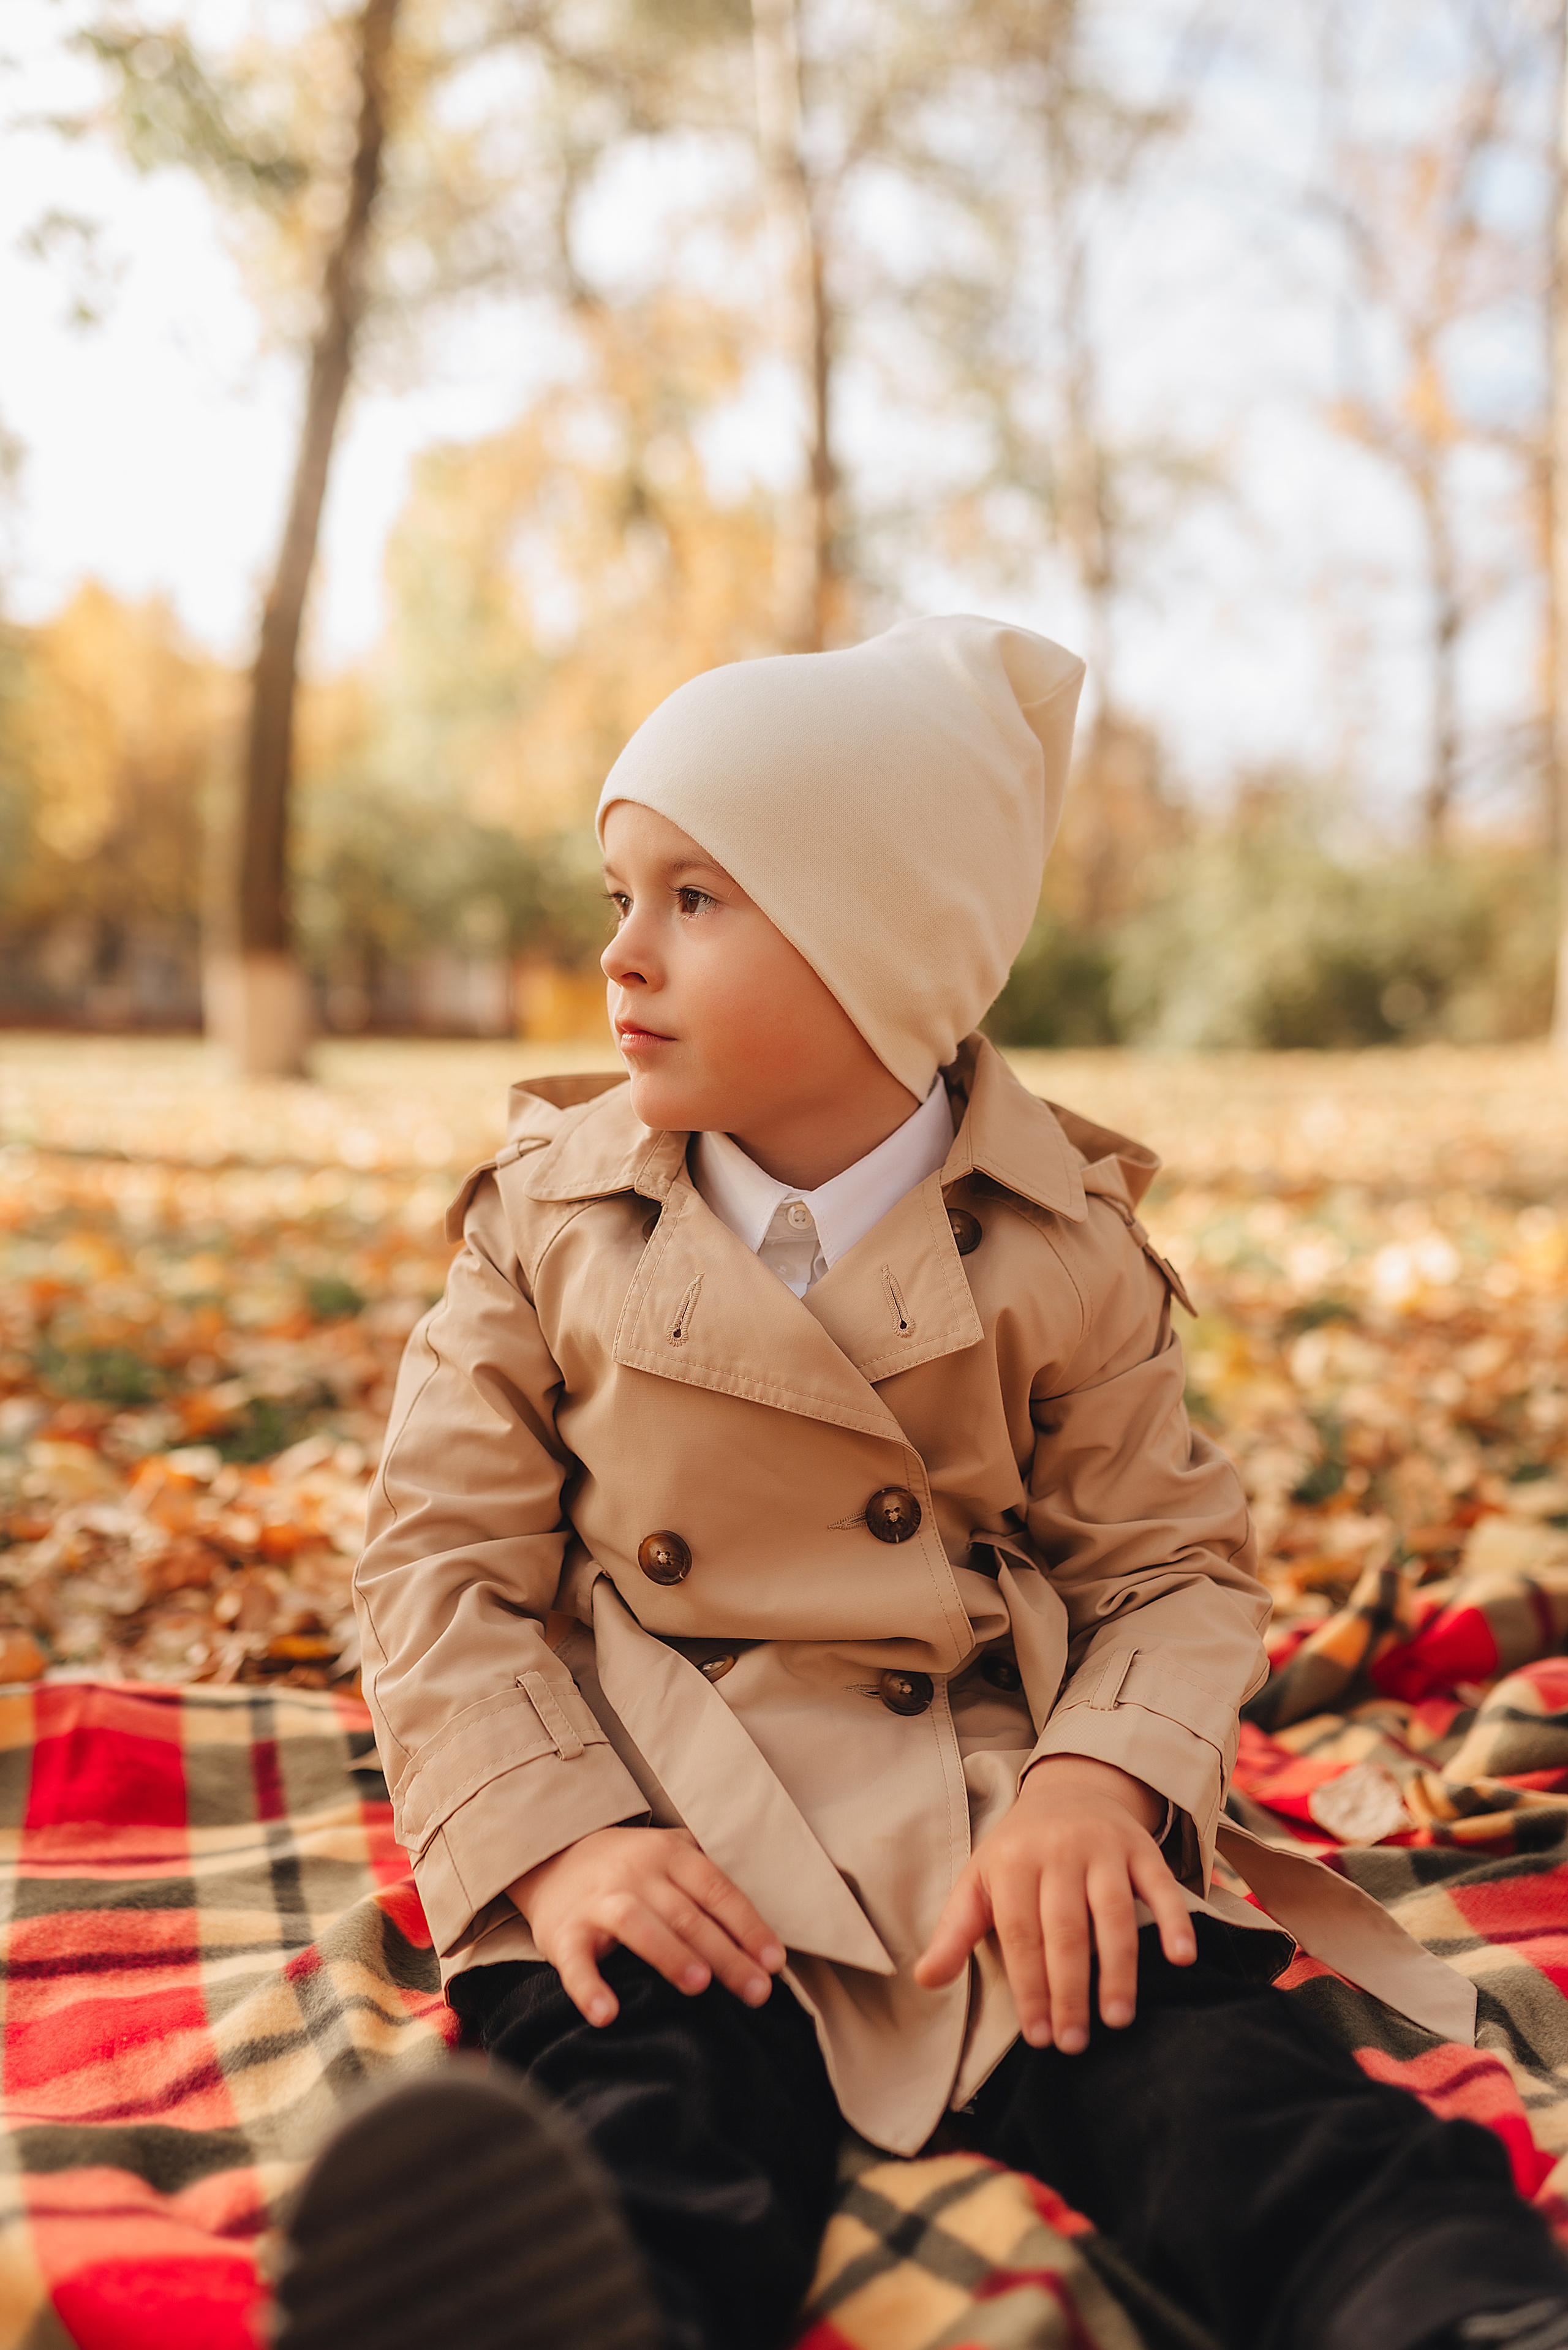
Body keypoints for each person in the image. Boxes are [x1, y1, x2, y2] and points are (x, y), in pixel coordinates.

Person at [277, 617, 1568, 2350]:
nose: (621, 956)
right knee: (639, 2115)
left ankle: (1453, 2310)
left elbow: (1168, 1570)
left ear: (880, 952)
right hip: (664, 1808)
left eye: (695, 898)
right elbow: (437, 1567)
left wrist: (1095, 1788)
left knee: (1225, 2091)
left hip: (984, 1815)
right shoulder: (548, 1226)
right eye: (619, 895)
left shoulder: (1061, 1250)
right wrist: (561, 1846)